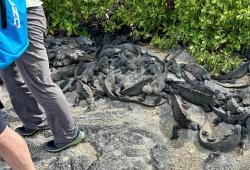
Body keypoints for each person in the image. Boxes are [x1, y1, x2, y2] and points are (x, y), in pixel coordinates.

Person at [0, 0, 85, 152]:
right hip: (5, 19)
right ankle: (35, 121)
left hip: (25, 15)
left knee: (39, 81)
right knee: (9, 75)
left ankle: (68, 134)